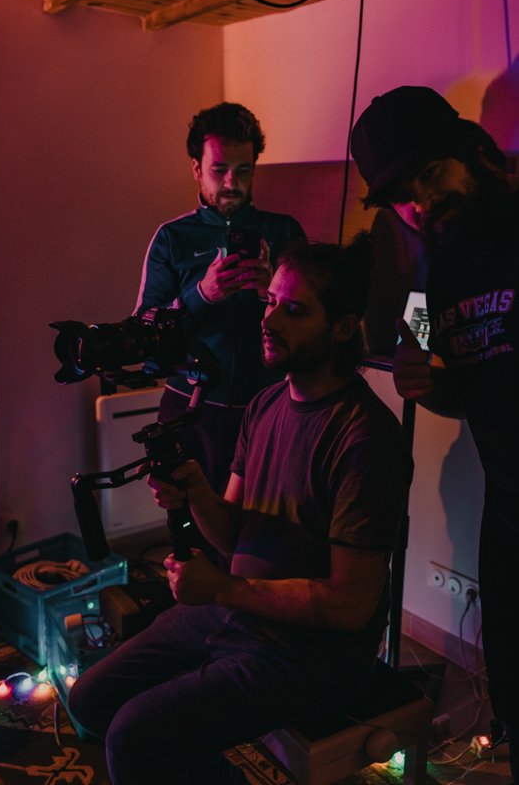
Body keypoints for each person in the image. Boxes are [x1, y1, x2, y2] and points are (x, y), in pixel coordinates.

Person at [68, 236, 413, 785]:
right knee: (89, 700)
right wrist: (195, 491)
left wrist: (224, 589)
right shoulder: (266, 403)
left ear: (343, 328)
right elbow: (232, 537)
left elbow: (350, 605)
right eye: (270, 302)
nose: (268, 320)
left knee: (132, 737)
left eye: (294, 310)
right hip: (235, 612)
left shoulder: (366, 439)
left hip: (307, 654)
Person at [350, 85, 519, 783]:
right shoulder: (435, 274)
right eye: (402, 197)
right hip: (507, 518)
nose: (421, 203)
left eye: (429, 175)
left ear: (471, 151)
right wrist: (420, 379)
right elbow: (450, 382)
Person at [134, 101, 306, 496]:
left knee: (260, 523)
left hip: (268, 405)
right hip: (189, 407)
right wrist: (201, 295)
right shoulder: (171, 238)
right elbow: (144, 329)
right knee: (186, 521)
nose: (232, 182)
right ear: (197, 168)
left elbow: (313, 323)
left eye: (244, 170)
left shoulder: (284, 232)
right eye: (220, 169)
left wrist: (272, 295)